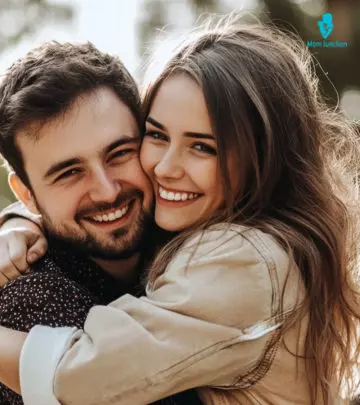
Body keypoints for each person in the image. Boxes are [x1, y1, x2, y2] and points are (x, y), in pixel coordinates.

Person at [0, 14, 359, 405]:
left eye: (203, 146)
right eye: (158, 136)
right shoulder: (34, 292)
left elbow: (78, 372)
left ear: (263, 159)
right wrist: (22, 219)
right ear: (27, 193)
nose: (166, 168)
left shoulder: (241, 258)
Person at [0, 41, 200, 405]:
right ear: (26, 194)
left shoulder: (201, 237)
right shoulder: (33, 303)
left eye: (120, 153)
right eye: (69, 173)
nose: (107, 191)